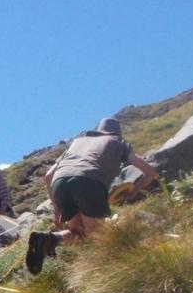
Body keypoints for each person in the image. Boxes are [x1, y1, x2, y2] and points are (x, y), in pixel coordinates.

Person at [25, 117, 160, 274]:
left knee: (79, 232)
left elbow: (48, 176)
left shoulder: (79, 141)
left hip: (59, 183)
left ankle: (49, 239)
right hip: (89, 182)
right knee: (99, 237)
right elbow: (151, 172)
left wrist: (57, 210)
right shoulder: (117, 141)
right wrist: (136, 188)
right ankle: (105, 275)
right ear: (117, 132)